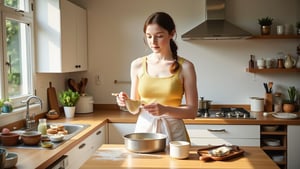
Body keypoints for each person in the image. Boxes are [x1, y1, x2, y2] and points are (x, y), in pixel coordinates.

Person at [116, 12, 198, 144]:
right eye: (149, 36)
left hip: (174, 134)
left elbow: (192, 112)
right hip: (144, 131)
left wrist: (166, 110)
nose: (153, 42)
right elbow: (135, 108)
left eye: (159, 36)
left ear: (171, 34)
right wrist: (124, 101)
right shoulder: (137, 65)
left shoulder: (186, 67)